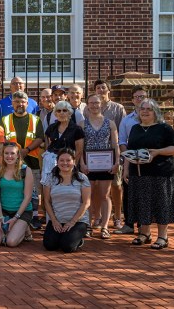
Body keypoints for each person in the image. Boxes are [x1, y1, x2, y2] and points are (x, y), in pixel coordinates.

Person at [124, 99, 174, 250]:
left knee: (161, 204)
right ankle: (145, 234)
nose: (144, 111)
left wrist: (157, 152)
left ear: (155, 112)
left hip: (162, 173)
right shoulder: (135, 128)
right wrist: (125, 169)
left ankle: (163, 236)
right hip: (138, 173)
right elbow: (130, 151)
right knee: (143, 203)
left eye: (148, 109)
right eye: (142, 108)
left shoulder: (164, 128)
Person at [1, 91, 44, 227]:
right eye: (17, 102)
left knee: (35, 191)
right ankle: (16, 216)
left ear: (27, 103)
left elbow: (39, 138)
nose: (20, 104)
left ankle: (35, 218)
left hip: (32, 159)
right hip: (11, 162)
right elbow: (3, 139)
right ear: (12, 104)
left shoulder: (35, 119)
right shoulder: (5, 120)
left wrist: (27, 150)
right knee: (18, 190)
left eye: (22, 102)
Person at [81, 94, 120, 239]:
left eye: (96, 103)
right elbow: (80, 146)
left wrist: (117, 162)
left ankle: (104, 227)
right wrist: (82, 163)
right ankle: (88, 225)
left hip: (106, 163)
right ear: (87, 105)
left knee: (105, 195)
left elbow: (115, 144)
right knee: (88, 195)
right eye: (91, 103)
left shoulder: (110, 123)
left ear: (101, 104)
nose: (94, 105)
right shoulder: (82, 124)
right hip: (88, 164)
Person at [42, 148, 91, 253]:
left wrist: (72, 222)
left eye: (68, 160)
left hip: (77, 221)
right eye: (62, 160)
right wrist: (54, 221)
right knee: (49, 245)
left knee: (67, 247)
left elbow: (86, 202)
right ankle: (64, 235)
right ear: (57, 161)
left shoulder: (82, 178)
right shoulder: (50, 178)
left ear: (74, 161)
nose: (65, 163)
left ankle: (78, 239)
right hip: (58, 220)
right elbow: (46, 201)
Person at [115, 86, 148, 235]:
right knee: (128, 192)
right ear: (132, 100)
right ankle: (129, 224)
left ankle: (143, 225)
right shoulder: (127, 120)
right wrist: (129, 158)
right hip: (131, 161)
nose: (139, 99)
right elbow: (122, 141)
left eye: (142, 96)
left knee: (145, 194)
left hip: (149, 162)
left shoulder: (157, 118)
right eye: (137, 97)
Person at [0, 143, 35, 247]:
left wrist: (16, 217)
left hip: (22, 212)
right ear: (2, 154)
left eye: (12, 153)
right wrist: (1, 216)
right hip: (4, 211)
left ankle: (24, 229)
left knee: (11, 242)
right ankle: (15, 227)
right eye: (6, 153)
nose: (9, 156)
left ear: (18, 155)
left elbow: (28, 197)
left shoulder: (25, 170)